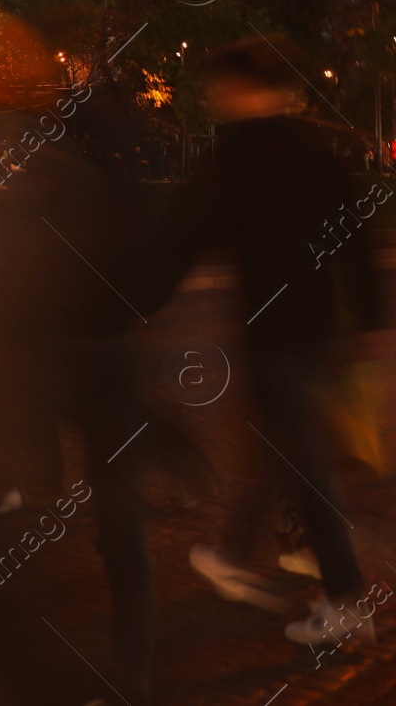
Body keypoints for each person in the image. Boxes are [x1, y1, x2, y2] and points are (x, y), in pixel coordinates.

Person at [163, 38, 387, 650]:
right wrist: (366, 320)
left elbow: (185, 237)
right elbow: (356, 236)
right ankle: (232, 553)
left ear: (234, 88)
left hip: (271, 334)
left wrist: (144, 299)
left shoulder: (233, 157)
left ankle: (347, 602)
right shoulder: (312, 147)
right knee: (281, 448)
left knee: (304, 464)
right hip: (317, 332)